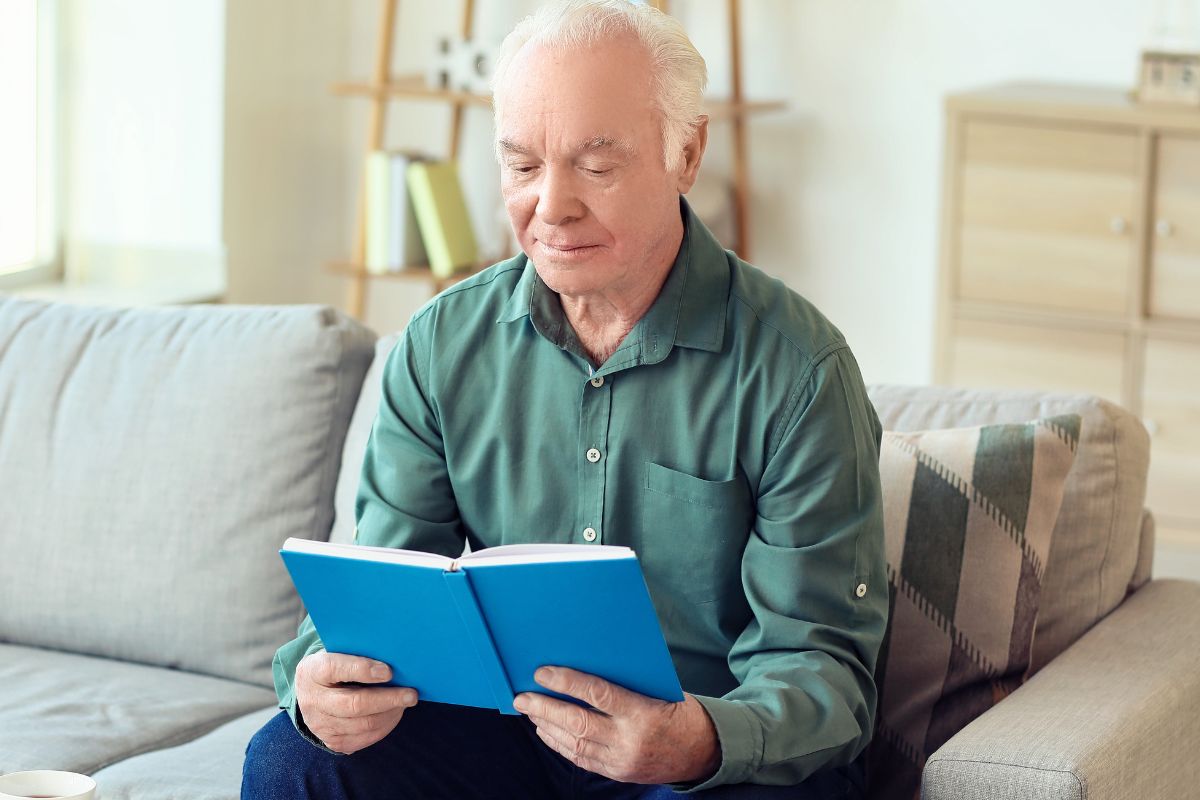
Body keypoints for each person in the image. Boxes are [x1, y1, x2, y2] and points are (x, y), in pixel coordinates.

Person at [243, 1, 887, 797]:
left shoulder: (799, 372)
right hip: (508, 735)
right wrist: (320, 688)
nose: (551, 206)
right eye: (521, 166)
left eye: (596, 165)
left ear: (687, 153)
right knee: (291, 760)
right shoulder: (443, 344)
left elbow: (824, 672)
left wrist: (694, 741)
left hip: (703, 755)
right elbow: (381, 597)